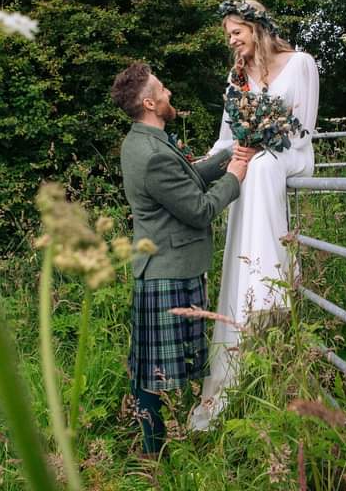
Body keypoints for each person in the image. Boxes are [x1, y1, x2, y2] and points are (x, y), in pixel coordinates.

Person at [189, 0, 320, 430]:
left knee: (258, 167)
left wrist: (262, 146)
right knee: (244, 168)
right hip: (253, 159)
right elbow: (227, 137)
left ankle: (272, 286)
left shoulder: (300, 63)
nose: (231, 41)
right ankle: (250, 286)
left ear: (256, 28)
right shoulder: (237, 77)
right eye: (228, 35)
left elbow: (304, 128)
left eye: (236, 32)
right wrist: (204, 164)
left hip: (290, 157)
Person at [111, 61, 254, 458]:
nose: (170, 92)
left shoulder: (147, 141)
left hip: (169, 268)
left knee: (158, 366)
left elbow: (187, 177)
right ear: (150, 102)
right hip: (167, 273)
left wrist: (229, 155)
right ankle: (153, 452)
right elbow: (199, 209)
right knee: (153, 373)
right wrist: (236, 175)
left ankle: (166, 439)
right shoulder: (151, 154)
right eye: (163, 88)